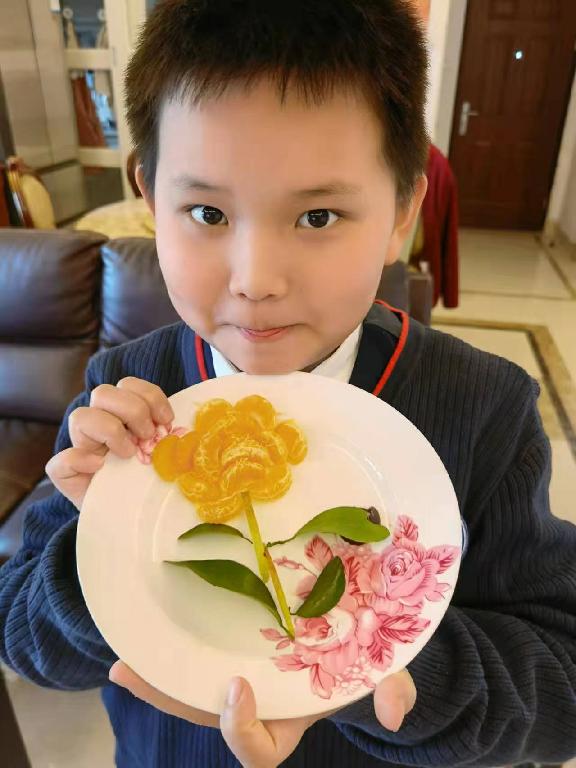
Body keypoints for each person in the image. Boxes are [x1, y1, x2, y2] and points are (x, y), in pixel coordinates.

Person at [1, 1, 575, 766]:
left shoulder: (485, 407)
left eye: (318, 217)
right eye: (207, 211)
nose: (256, 280)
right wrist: (98, 542)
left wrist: (383, 676)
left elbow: (561, 684)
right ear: (149, 197)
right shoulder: (126, 392)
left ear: (402, 210)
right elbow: (22, 638)